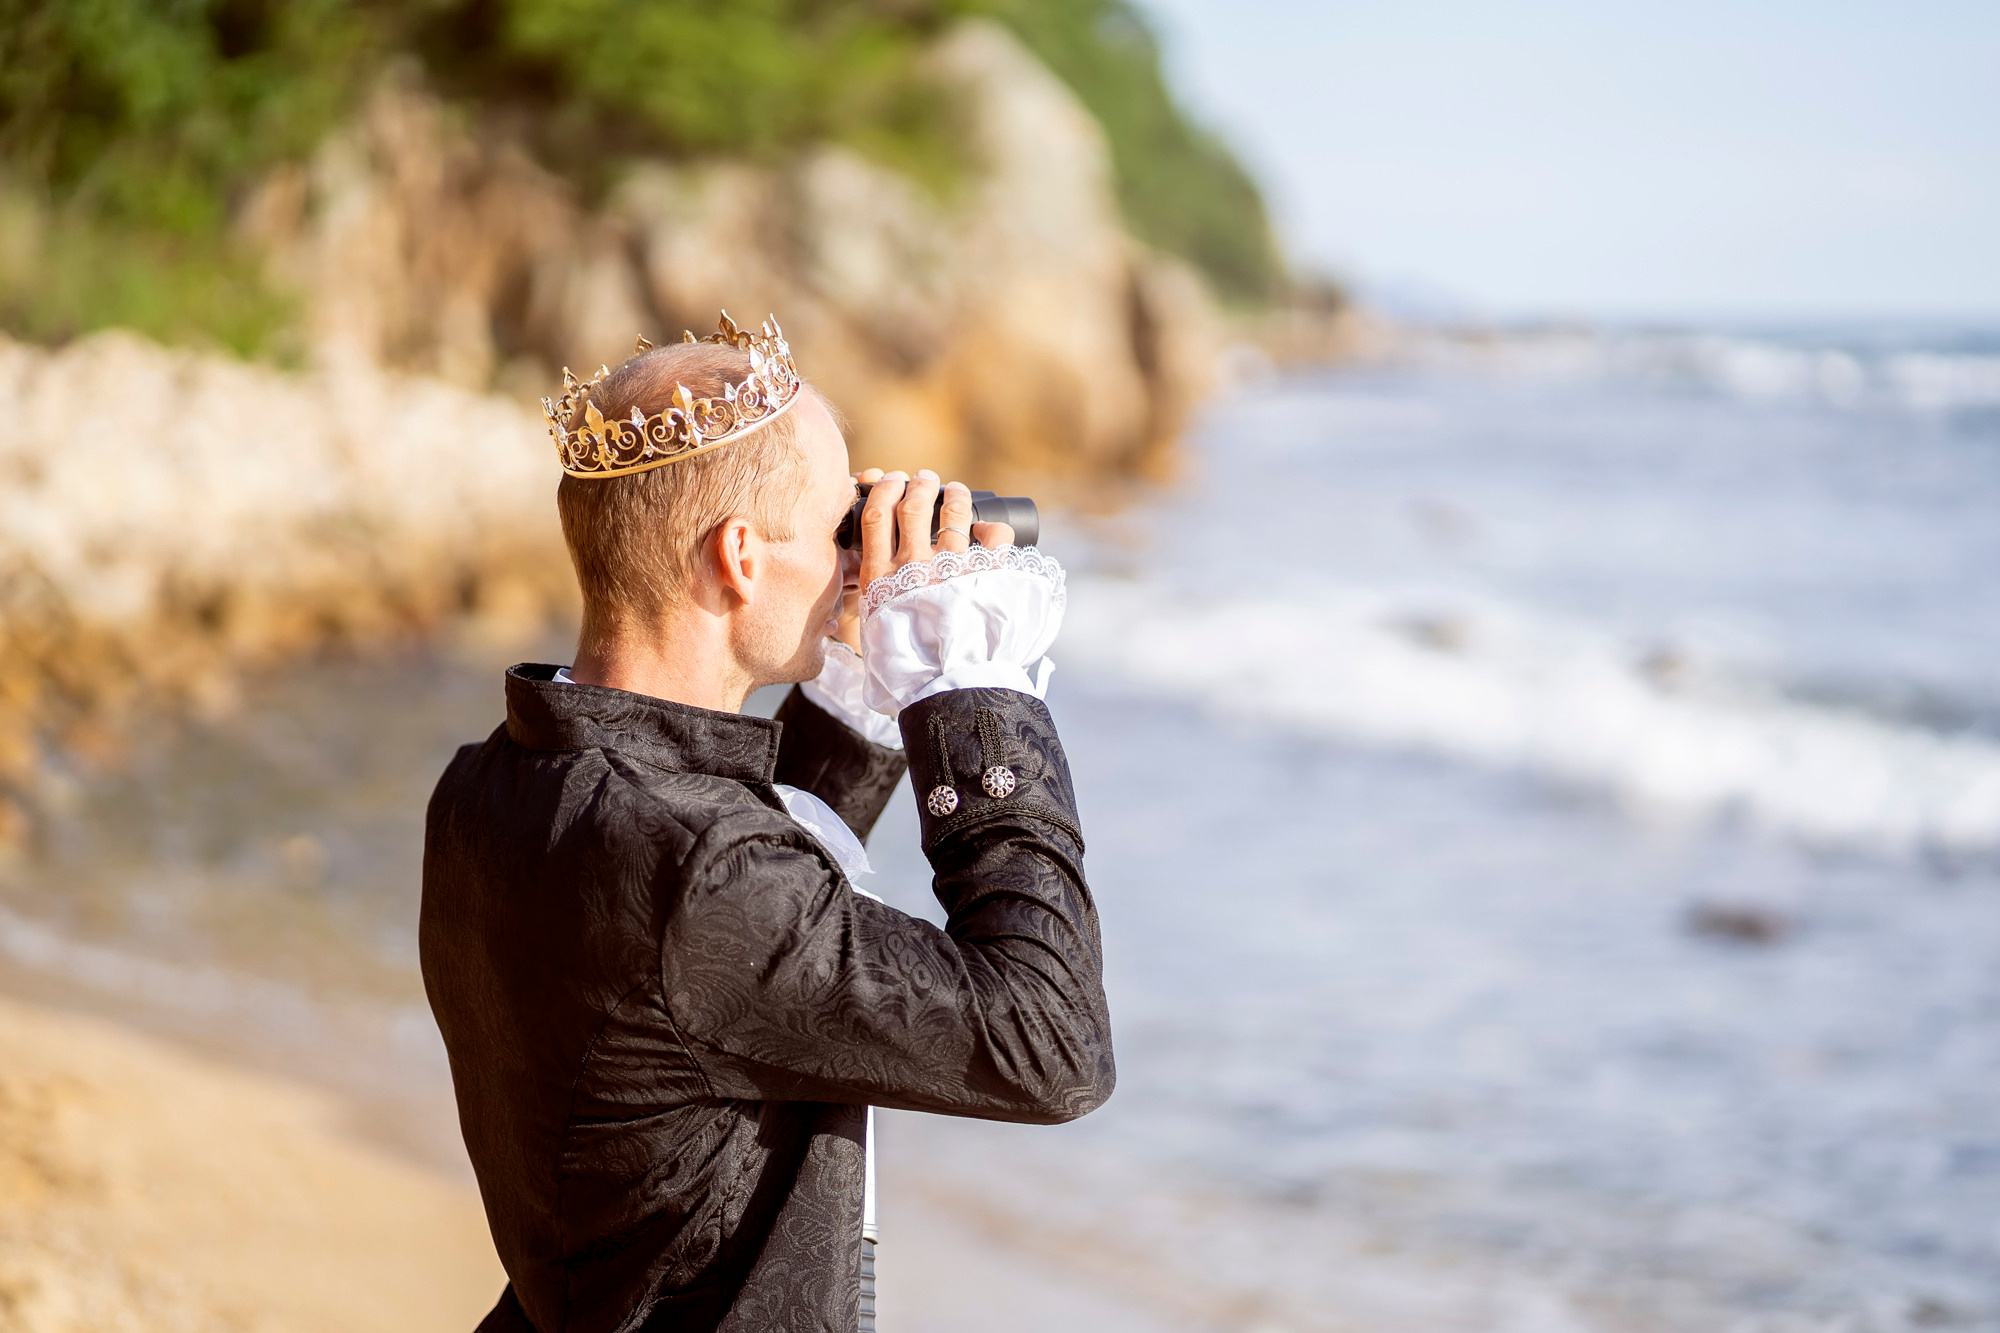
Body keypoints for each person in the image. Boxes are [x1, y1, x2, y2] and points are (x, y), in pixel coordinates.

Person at [420, 315, 1113, 1333]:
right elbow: (1051, 1044)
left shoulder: (496, 783)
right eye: (839, 525)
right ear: (739, 557)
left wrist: (861, 685)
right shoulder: (702, 870)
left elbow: (745, 923)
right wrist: (967, 691)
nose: (852, 560)